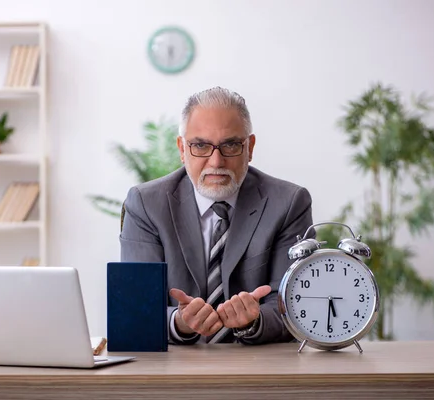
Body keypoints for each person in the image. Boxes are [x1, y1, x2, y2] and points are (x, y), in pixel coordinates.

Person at [120, 87, 314, 345]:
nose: (216, 162)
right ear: (182, 148)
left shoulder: (289, 203)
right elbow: (135, 310)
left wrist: (254, 321)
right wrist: (178, 323)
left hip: (259, 370)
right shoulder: (146, 204)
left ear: (250, 147)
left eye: (230, 145)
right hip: (172, 371)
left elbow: (296, 306)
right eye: (200, 145)